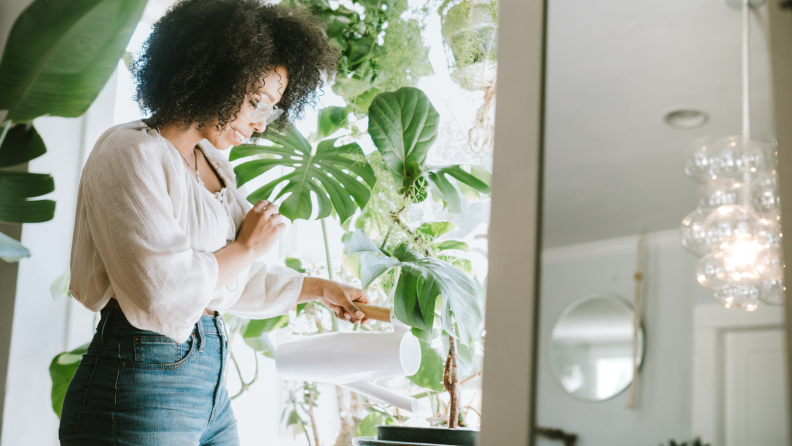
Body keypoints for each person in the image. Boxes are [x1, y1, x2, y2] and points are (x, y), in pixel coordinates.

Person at [60, 1, 363, 444]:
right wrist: (245, 247)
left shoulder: (216, 166)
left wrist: (319, 289)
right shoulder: (128, 152)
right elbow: (162, 290)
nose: (260, 124)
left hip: (210, 383)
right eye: (255, 101)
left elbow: (231, 279)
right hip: (141, 380)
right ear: (212, 72)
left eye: (272, 109)